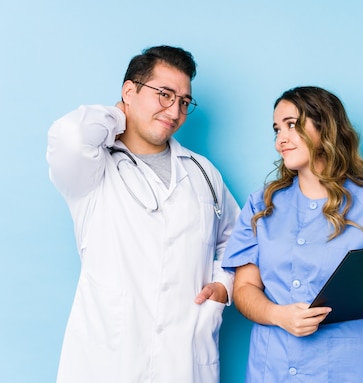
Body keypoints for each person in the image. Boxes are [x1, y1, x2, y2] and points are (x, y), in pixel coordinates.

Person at [46, 45, 240, 383]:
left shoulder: (202, 172)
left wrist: (224, 285)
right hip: (109, 362)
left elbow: (237, 241)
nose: (175, 110)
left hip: (184, 361)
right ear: (129, 91)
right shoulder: (93, 169)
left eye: (183, 101)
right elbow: (70, 135)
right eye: (164, 94)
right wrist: (121, 114)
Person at [222, 86, 363, 382]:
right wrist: (278, 315)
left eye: (292, 125)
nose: (280, 140)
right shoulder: (261, 205)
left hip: (349, 370)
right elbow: (244, 289)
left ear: (324, 128)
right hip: (272, 369)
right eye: (276, 130)